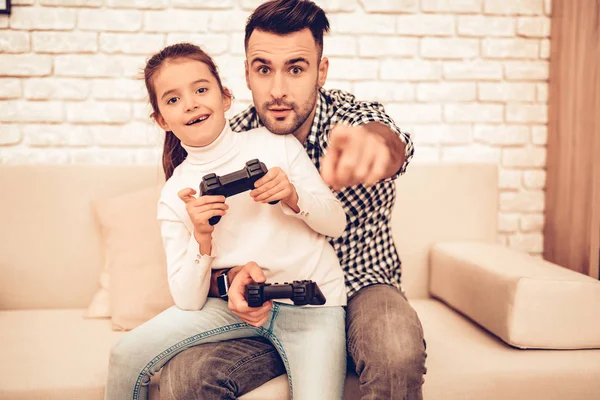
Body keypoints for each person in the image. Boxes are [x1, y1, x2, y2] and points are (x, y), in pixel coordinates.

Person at [159, 0, 426, 399]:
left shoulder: (351, 120)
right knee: (184, 376)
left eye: (296, 69)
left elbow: (391, 140)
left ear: (321, 71)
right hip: (279, 304)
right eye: (264, 69)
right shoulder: (230, 142)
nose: (278, 90)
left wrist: (377, 147)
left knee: (395, 348)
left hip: (364, 287)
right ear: (247, 74)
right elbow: (209, 250)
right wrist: (229, 281)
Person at [104, 42, 350, 400]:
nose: (190, 103)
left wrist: (293, 196)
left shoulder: (275, 145)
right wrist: (202, 238)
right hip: (233, 308)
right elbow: (188, 300)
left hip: (311, 304)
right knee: (124, 355)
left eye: (201, 90)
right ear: (162, 120)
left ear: (225, 97)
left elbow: (337, 224)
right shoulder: (175, 194)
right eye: (172, 100)